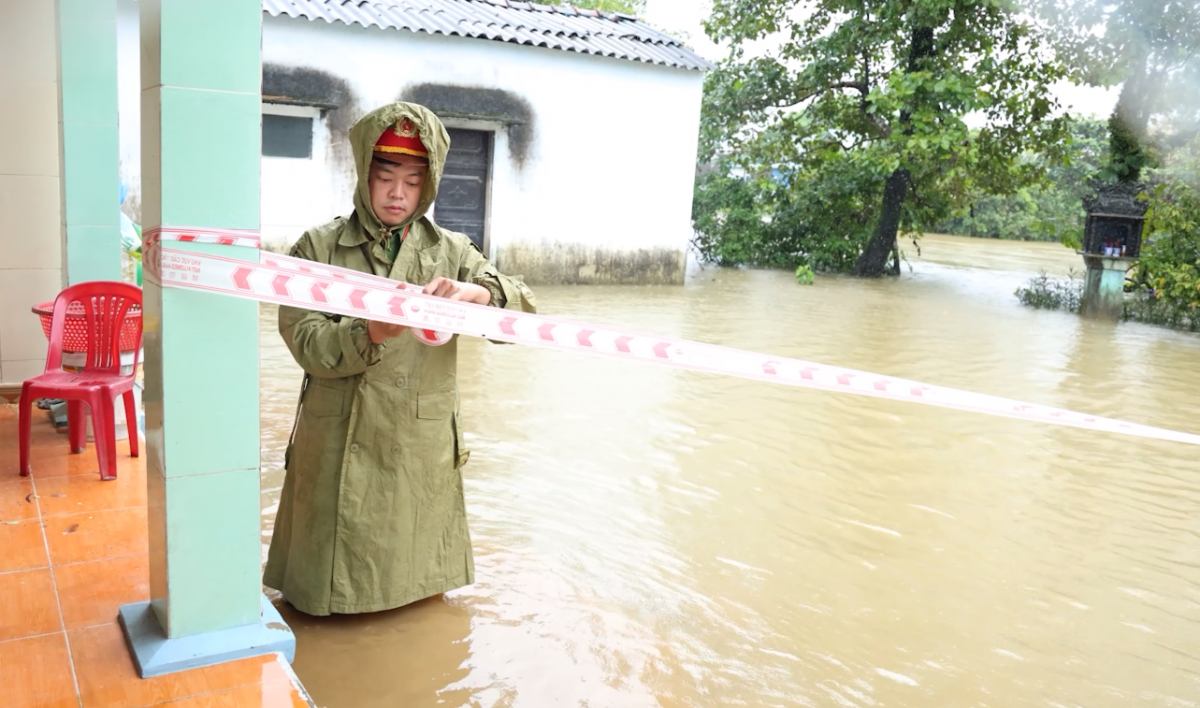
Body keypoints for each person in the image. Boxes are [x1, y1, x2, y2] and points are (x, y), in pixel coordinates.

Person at [264, 102, 536, 616]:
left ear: (428, 186)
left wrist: (483, 296)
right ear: (363, 172)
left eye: (413, 182)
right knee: (324, 595)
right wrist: (371, 330)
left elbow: (525, 310)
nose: (397, 194)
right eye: (386, 177)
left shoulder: (453, 251)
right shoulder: (318, 248)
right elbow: (305, 340)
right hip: (339, 431)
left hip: (417, 434)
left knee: (416, 590)